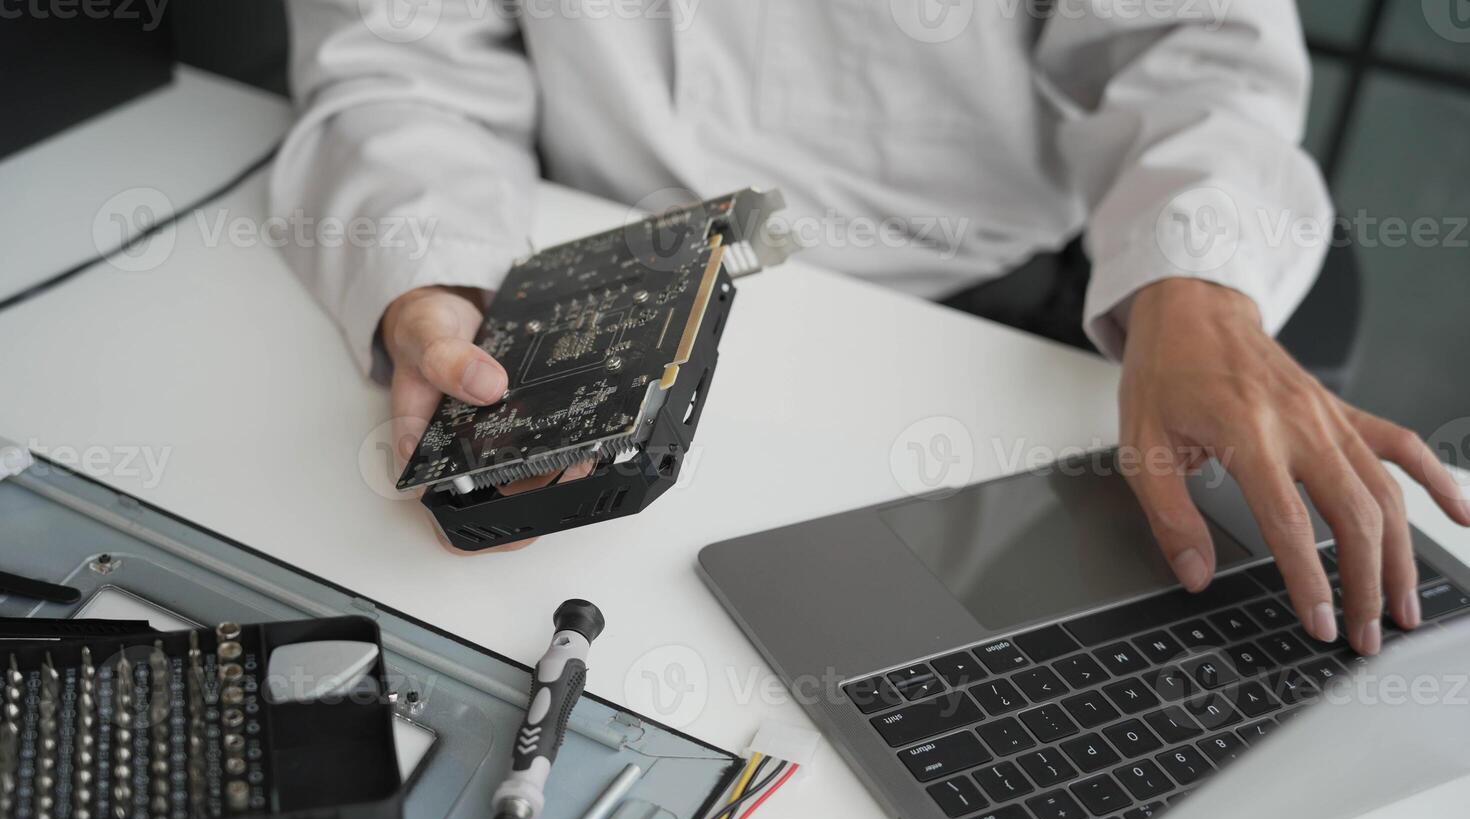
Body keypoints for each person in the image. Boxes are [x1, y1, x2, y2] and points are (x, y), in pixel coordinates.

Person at [270, 1, 1469, 655]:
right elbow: (398, 62)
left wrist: (1197, 286)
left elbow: (1192, 46)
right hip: (618, 279)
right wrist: (427, 282)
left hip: (997, 296)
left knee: (1010, 700)